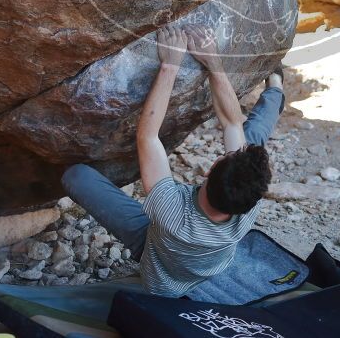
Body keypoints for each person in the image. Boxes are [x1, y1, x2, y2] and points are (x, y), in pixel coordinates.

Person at [61, 24, 285, 297]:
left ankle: (275, 92)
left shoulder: (171, 210)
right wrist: (213, 63)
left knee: (76, 176)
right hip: (200, 262)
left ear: (208, 171)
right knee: (252, 134)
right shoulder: (247, 207)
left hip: (156, 261)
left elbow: (148, 136)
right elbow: (231, 125)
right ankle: (276, 89)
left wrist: (170, 64)